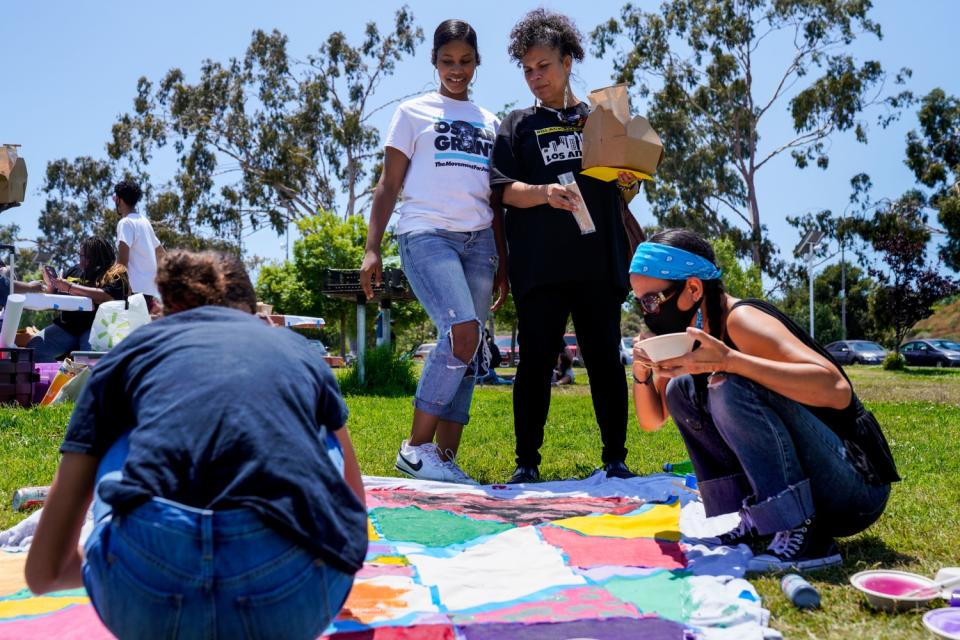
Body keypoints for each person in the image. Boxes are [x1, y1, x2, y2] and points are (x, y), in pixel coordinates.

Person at [25, 250, 367, 640]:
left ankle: (140, 522)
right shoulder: (296, 352)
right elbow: (353, 507)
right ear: (254, 313)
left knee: (126, 420)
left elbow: (43, 573)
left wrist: (131, 559)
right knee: (309, 416)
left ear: (166, 311)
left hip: (141, 596)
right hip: (294, 596)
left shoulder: (126, 356)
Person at [628, 229, 899, 571]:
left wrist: (729, 361)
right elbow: (652, 421)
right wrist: (642, 370)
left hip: (856, 488)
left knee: (729, 385)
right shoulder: (695, 338)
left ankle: (804, 532)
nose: (647, 312)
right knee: (679, 390)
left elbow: (836, 388)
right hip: (821, 482)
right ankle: (761, 516)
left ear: (693, 288)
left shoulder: (741, 320)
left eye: (651, 300)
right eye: (639, 302)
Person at [490, 9, 640, 483]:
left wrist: (628, 178)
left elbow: (626, 186)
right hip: (540, 267)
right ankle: (526, 463)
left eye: (544, 66)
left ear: (569, 61)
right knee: (534, 365)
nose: (536, 77)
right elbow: (502, 190)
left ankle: (615, 459)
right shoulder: (516, 124)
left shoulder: (602, 118)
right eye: (527, 69)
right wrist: (543, 194)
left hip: (599, 264)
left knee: (604, 362)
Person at [360, 20, 507, 485]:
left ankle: (442, 462)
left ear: (477, 63)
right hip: (426, 235)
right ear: (434, 62)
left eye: (465, 61)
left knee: (469, 353)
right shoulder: (412, 112)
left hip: (480, 242)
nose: (456, 70)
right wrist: (371, 248)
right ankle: (416, 449)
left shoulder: (491, 122)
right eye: (448, 61)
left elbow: (497, 200)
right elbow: (388, 184)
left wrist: (502, 259)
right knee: (461, 333)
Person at [24, 237, 131, 361]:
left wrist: (70, 287)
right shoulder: (75, 270)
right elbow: (56, 295)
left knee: (89, 360)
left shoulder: (115, 274)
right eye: (80, 256)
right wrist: (51, 285)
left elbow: (106, 297)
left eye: (87, 258)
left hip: (96, 328)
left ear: (100, 257)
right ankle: (60, 377)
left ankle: (82, 379)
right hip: (67, 327)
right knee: (33, 351)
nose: (81, 262)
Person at [114, 180, 164, 302]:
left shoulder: (125, 223)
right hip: (149, 291)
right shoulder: (144, 221)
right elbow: (161, 253)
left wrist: (111, 284)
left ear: (119, 200)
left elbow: (122, 263)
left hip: (132, 291)